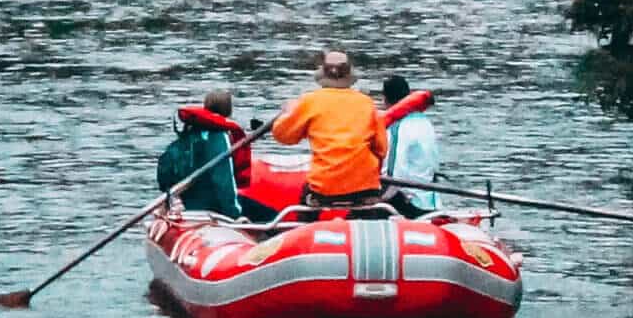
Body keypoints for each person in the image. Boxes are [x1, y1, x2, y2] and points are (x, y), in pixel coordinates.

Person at [268, 49, 387, 209]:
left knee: (306, 199)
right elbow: (381, 149)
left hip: (324, 186)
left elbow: (283, 136)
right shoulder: (367, 103)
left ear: (323, 74)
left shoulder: (310, 101)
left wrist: (289, 112)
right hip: (365, 187)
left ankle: (303, 228)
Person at [157, 87, 249, 215]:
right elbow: (223, 179)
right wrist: (235, 214)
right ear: (228, 111)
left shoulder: (192, 130)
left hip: (188, 203)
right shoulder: (219, 136)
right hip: (209, 207)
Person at [381, 74, 443, 211]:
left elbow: (395, 175)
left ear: (385, 100)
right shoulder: (425, 122)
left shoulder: (397, 128)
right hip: (432, 201)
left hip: (412, 203)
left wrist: (376, 199)